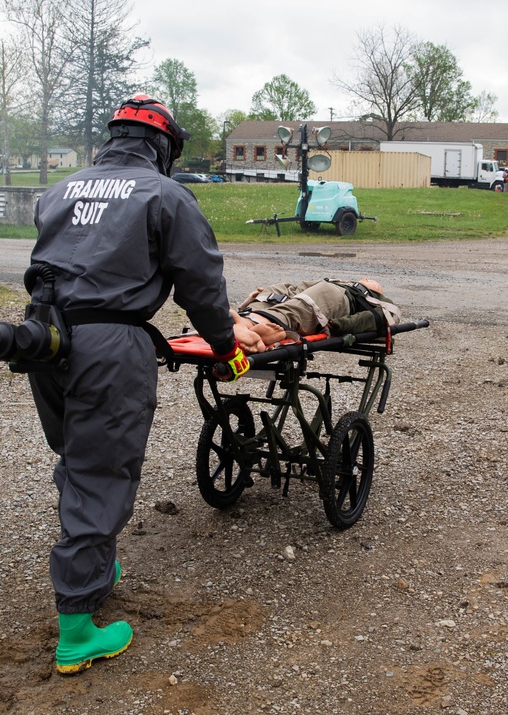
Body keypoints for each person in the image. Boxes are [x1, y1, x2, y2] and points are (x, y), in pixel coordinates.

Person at [25, 94, 250, 675]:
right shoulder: (164, 195)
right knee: (101, 470)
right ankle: (77, 627)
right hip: (109, 342)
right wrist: (224, 347)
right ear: (164, 146)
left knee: (78, 457)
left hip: (43, 337)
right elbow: (200, 281)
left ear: (113, 136)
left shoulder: (62, 189)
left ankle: (94, 566)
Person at [232, 278, 402, 348]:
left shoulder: (378, 301)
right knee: (274, 295)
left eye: (371, 281)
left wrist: (340, 325)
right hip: (319, 288)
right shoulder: (342, 282)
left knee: (299, 307)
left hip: (334, 295)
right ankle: (247, 317)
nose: (366, 278)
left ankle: (247, 323)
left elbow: (380, 318)